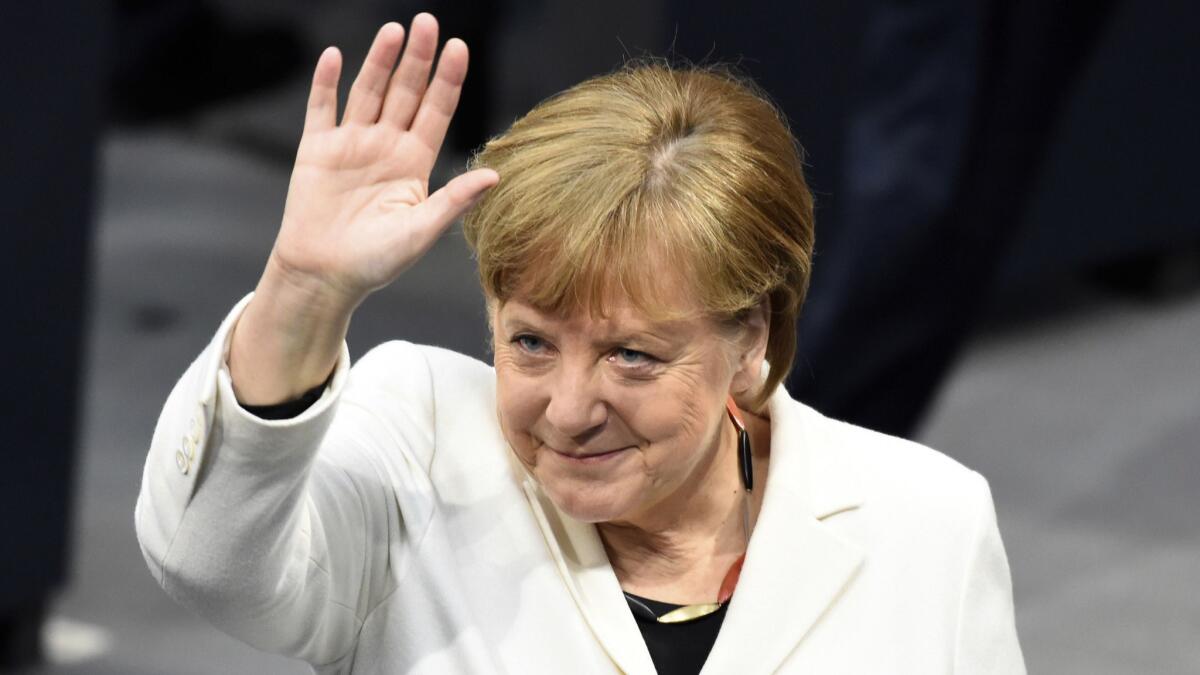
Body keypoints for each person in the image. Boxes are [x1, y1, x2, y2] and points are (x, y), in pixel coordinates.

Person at [135, 14, 1025, 674]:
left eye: (631, 355)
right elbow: (210, 564)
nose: (565, 409)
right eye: (529, 341)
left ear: (751, 335)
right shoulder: (418, 447)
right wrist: (304, 289)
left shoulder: (928, 524)